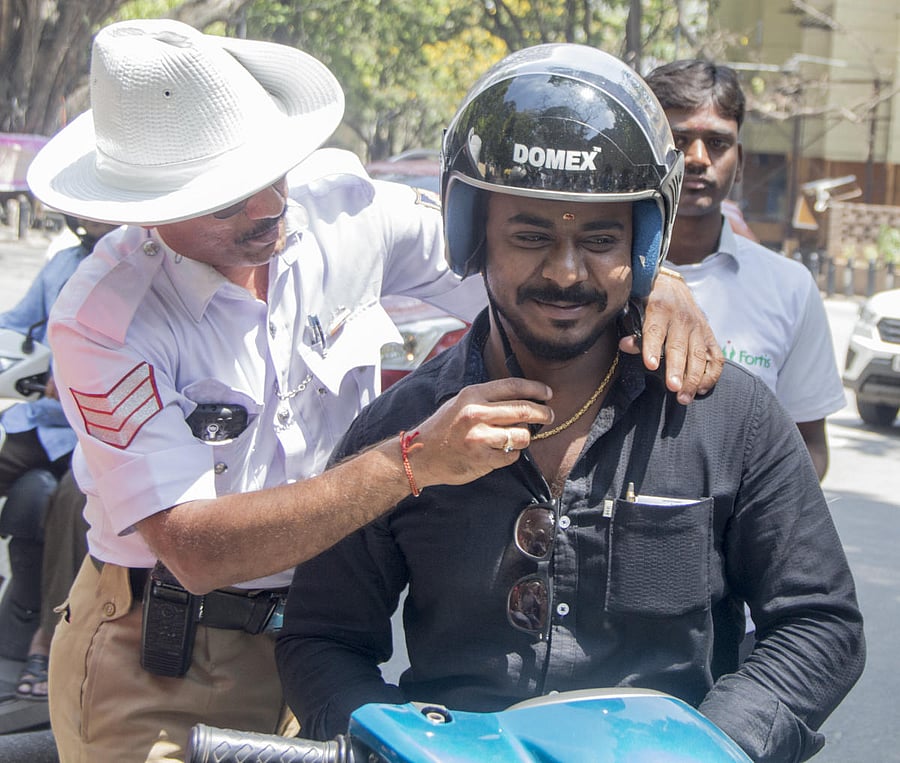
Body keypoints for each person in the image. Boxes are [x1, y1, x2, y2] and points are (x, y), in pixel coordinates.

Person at [25, 20, 720, 763]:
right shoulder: (104, 320)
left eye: (273, 172)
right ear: (147, 208)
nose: (265, 208)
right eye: (224, 200)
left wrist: (656, 284)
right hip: (161, 663)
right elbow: (194, 550)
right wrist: (413, 461)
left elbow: (531, 272)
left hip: (319, 650)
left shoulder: (344, 211)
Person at [275, 44, 866, 763]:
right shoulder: (406, 431)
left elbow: (820, 624)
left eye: (599, 239)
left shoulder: (728, 416)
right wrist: (403, 743)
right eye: (529, 236)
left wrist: (713, 745)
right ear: (473, 237)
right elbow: (320, 636)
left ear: (645, 248)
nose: (565, 271)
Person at [643, 60, 846, 480]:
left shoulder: (789, 288)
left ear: (740, 159)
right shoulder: (597, 276)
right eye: (679, 140)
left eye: (717, 143)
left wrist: (752, 518)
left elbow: (809, 444)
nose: (698, 158)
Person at [0, 216, 116, 700]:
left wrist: (74, 372)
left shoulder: (141, 271)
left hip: (98, 433)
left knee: (75, 501)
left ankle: (48, 637)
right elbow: (14, 325)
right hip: (45, 421)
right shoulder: (63, 264)